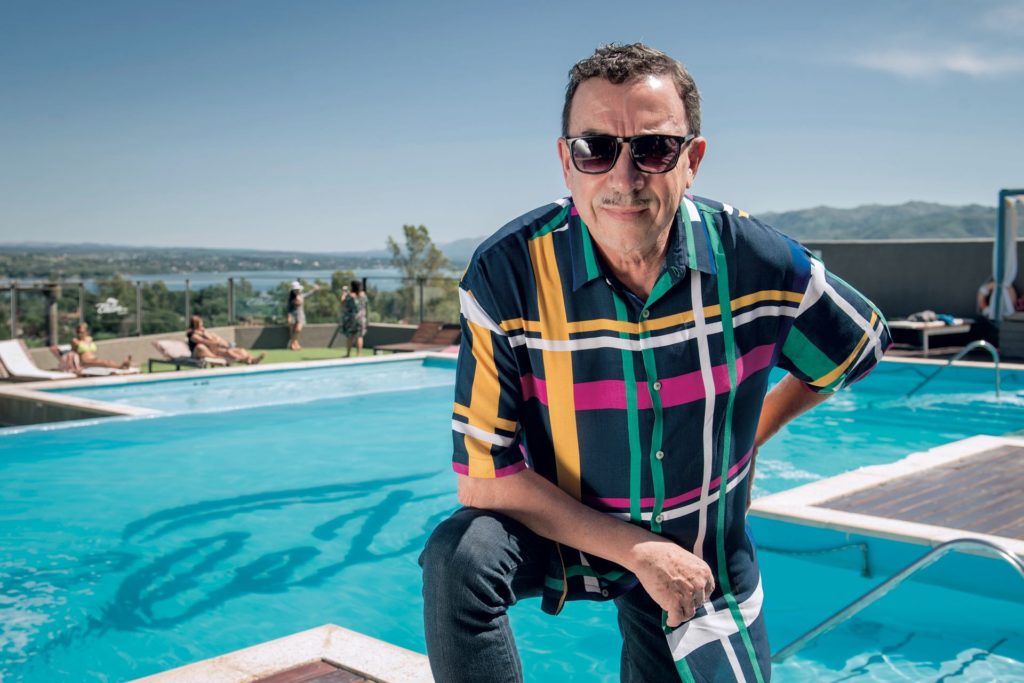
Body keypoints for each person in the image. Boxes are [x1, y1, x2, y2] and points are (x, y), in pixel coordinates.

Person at [419, 43, 891, 682]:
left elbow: (860, 344)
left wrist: (754, 431)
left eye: (654, 149)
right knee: (460, 558)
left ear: (692, 160)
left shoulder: (756, 261)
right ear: (565, 161)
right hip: (567, 529)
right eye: (595, 149)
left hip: (700, 549)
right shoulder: (507, 274)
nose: (623, 177)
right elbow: (483, 477)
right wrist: (638, 550)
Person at [187, 315, 265, 365]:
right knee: (201, 347)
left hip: (214, 349)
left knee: (240, 350)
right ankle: (246, 360)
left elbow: (213, 340)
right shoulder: (193, 335)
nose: (202, 326)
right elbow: (208, 342)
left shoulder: (204, 332)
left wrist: (221, 342)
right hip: (202, 353)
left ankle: (251, 359)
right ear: (196, 325)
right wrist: (216, 341)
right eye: (200, 324)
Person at [286, 281, 320, 350]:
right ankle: (294, 344)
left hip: (300, 315)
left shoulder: (302, 296)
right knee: (292, 330)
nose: (296, 291)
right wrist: (289, 316)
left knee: (298, 329)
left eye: (297, 289)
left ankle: (294, 342)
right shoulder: (290, 298)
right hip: (293, 315)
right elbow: (289, 308)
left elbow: (309, 293)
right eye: (295, 290)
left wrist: (315, 289)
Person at [340, 280, 368, 357]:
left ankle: (348, 354)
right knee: (359, 336)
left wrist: (344, 293)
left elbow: (343, 302)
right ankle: (359, 354)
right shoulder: (363, 295)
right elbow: (366, 303)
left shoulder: (350, 296)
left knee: (350, 336)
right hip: (361, 318)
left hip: (351, 319)